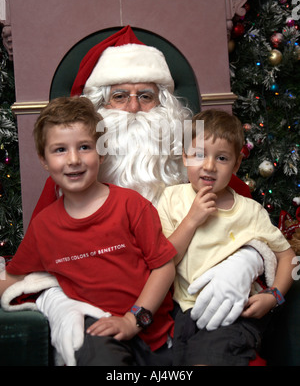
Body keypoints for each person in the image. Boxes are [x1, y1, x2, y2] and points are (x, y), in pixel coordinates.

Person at [1, 26, 271, 365]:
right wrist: (56, 301)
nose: (133, 108)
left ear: (166, 106)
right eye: (119, 96)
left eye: (146, 96)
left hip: (192, 308)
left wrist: (245, 261)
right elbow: (35, 264)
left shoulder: (197, 162)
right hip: (112, 318)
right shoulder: (67, 184)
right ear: (100, 108)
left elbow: (251, 221)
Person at [0, 96, 177, 366]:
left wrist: (133, 320)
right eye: (59, 150)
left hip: (152, 331)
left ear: (101, 151)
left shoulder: (131, 205)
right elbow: (15, 277)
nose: (73, 160)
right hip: (98, 330)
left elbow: (164, 267)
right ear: (44, 160)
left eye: (84, 147)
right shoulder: (44, 226)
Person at [157, 109, 296, 366]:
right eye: (199, 155)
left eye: (221, 158)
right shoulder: (171, 199)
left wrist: (274, 296)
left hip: (236, 314)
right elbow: (164, 259)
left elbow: (288, 256)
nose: (209, 166)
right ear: (186, 156)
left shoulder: (250, 210)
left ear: (236, 164)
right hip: (185, 312)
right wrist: (192, 220)